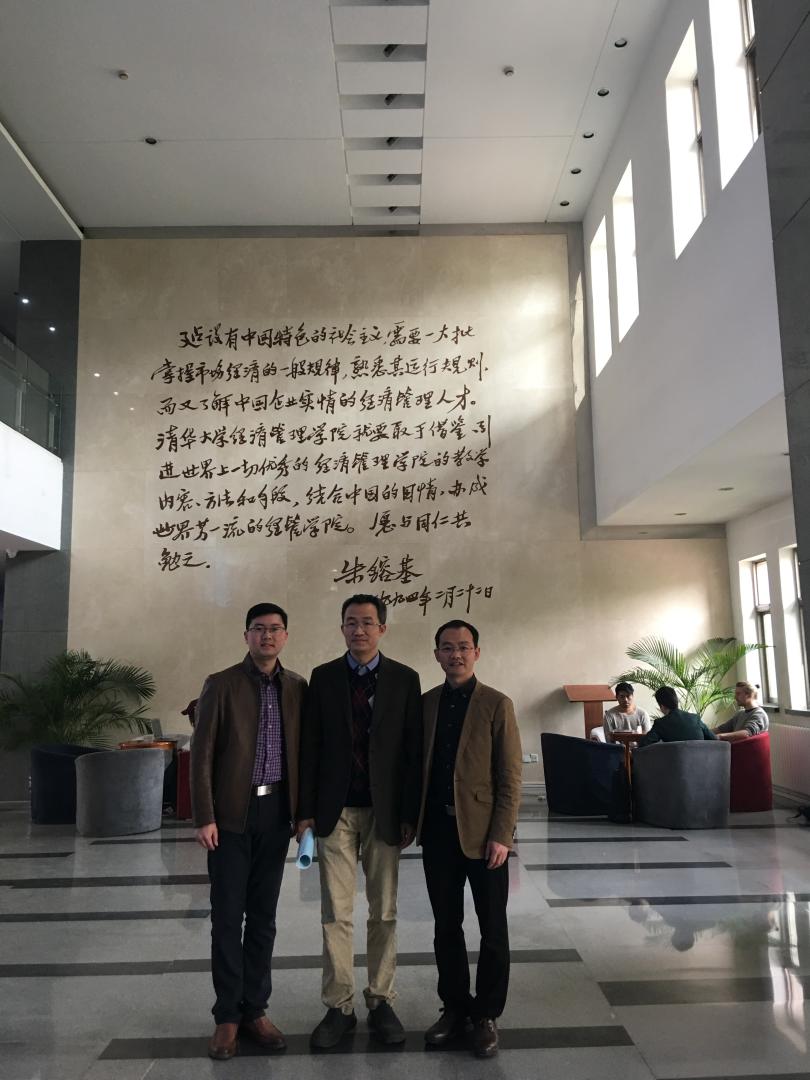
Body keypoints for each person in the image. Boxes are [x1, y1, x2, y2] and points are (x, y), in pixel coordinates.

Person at [297, 594, 422, 1049]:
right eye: (351, 622)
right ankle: (339, 1006)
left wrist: (408, 813)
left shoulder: (405, 679)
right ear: (342, 628)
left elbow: (411, 751)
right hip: (335, 812)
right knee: (336, 912)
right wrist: (305, 812)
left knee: (384, 910)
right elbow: (310, 747)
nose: (359, 630)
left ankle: (381, 999)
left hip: (384, 812)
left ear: (382, 628)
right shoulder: (324, 677)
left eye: (368, 622)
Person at [190, 603, 307, 1061]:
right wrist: (205, 815)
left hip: (276, 814)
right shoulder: (221, 684)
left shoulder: (296, 687)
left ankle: (256, 1010)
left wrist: (302, 814)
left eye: (275, 629)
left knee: (263, 917)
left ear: (286, 636)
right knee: (226, 916)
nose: (267, 636)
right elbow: (201, 754)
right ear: (246, 636)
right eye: (259, 629)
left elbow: (305, 753)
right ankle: (227, 1016)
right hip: (230, 816)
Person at [416, 619, 522, 1059]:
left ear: (476, 652)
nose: (455, 654)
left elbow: (510, 775)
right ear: (436, 655)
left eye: (463, 647)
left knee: (493, 928)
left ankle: (486, 1015)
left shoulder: (497, 704)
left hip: (484, 836)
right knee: (446, 926)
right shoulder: (426, 704)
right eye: (447, 647)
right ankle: (455, 1008)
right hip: (438, 833)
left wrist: (502, 834)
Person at [636, 686, 716, 746]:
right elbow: (714, 739)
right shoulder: (695, 718)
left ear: (661, 706)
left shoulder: (661, 723)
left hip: (674, 763)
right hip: (703, 762)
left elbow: (644, 743)